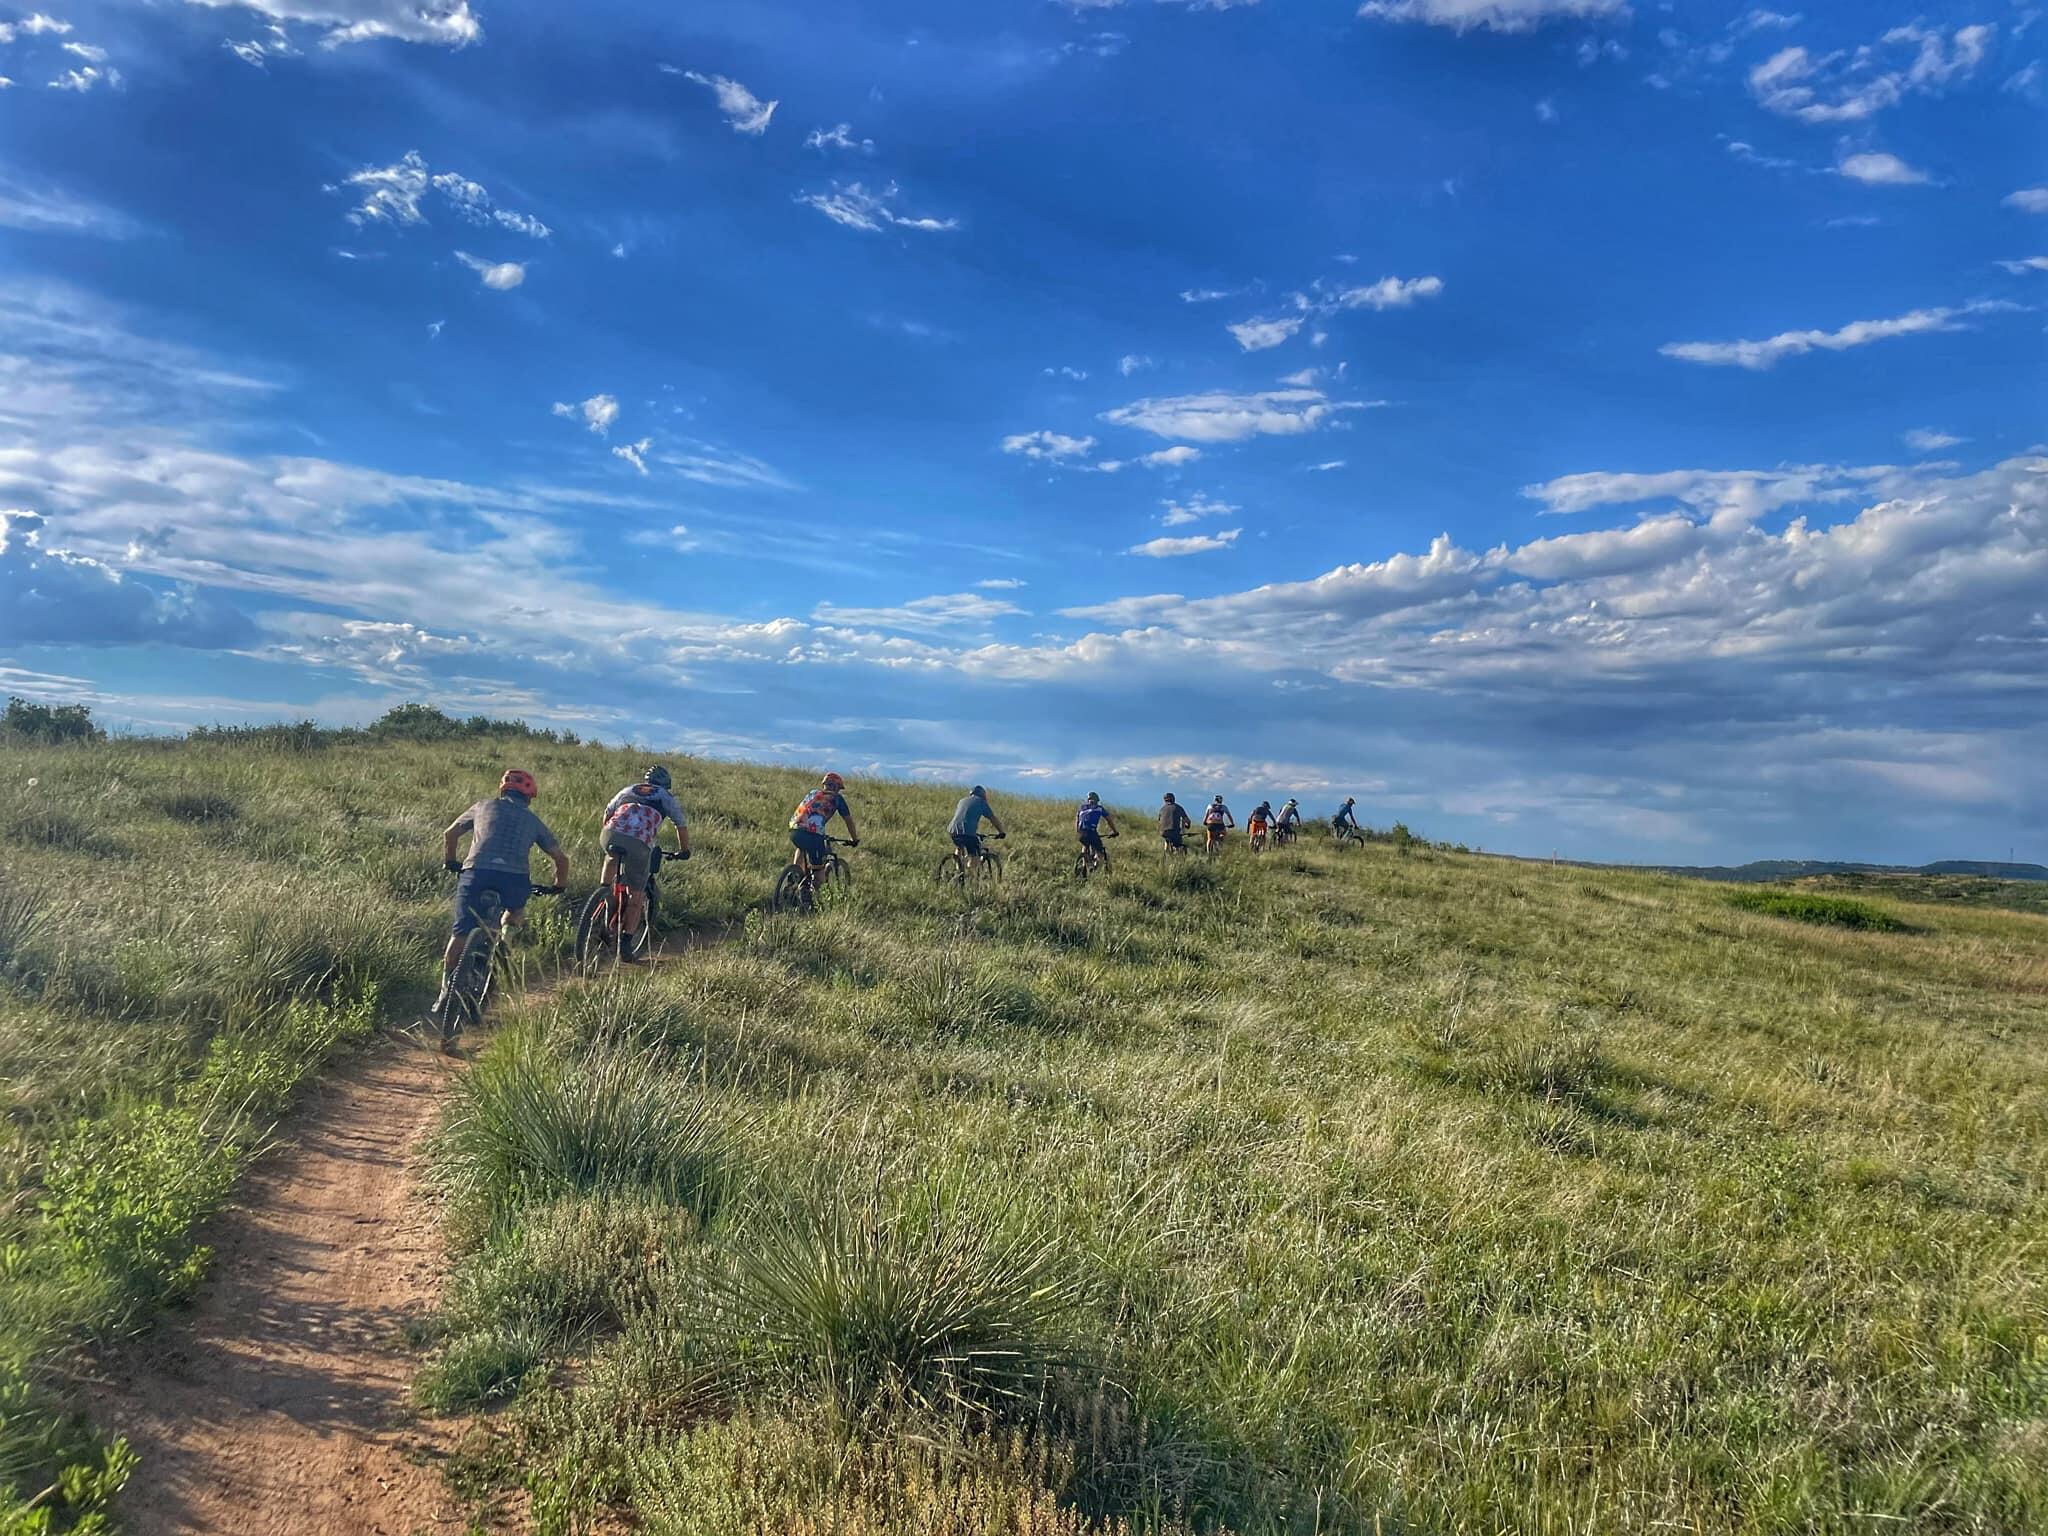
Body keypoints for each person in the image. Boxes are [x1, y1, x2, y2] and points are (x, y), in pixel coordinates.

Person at [435, 769, 568, 1017]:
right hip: (514, 879)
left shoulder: (482, 806)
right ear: (529, 796)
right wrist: (558, 885)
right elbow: (560, 858)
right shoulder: (533, 821)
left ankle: (445, 989)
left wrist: (450, 861)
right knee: (515, 911)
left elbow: (450, 833)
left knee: (461, 932)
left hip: (477, 871)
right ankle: (502, 945)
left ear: (502, 789)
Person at [598, 765, 690, 960]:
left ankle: (604, 893)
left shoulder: (628, 789)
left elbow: (607, 812)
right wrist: (684, 850)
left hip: (610, 833)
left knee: (612, 857)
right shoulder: (665, 796)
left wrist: (611, 834)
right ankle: (625, 944)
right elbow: (680, 825)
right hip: (639, 842)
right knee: (636, 896)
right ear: (667, 784)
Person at [789, 771, 859, 877]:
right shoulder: (837, 798)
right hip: (813, 834)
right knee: (818, 872)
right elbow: (848, 821)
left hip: (794, 829)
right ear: (836, 788)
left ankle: (794, 876)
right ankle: (812, 888)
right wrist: (854, 840)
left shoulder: (812, 793)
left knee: (801, 847)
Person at [947, 784, 1007, 869]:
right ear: (983, 795)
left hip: (952, 830)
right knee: (974, 855)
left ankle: (957, 868)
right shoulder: (981, 802)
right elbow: (993, 819)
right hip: (968, 833)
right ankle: (972, 879)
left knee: (960, 845)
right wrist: (1001, 832)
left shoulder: (962, 800)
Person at [1076, 791, 1118, 864]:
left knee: (1085, 845)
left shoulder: (1082, 807)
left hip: (1081, 832)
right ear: (1097, 800)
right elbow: (1109, 820)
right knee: (1099, 851)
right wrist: (1115, 831)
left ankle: (1084, 863)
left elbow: (1077, 819)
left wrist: (1078, 831)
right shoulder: (1099, 808)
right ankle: (1095, 866)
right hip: (1091, 831)